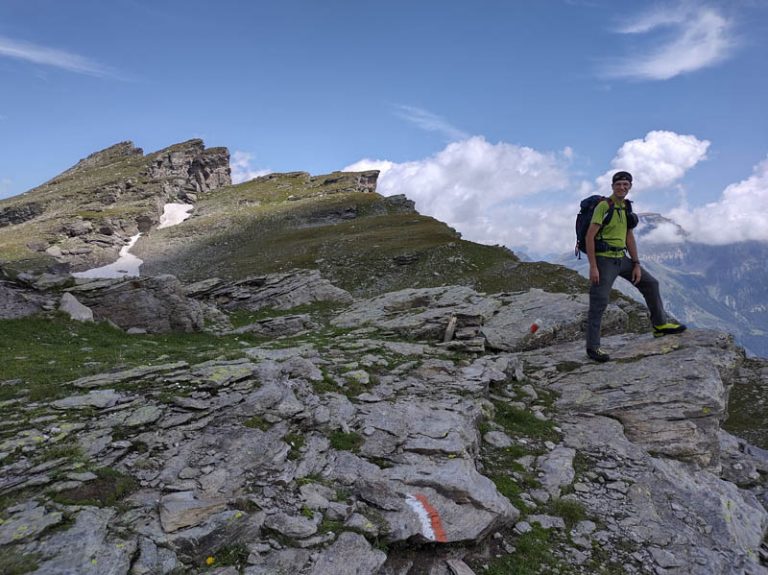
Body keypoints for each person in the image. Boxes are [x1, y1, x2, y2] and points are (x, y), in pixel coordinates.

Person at [585, 171, 686, 362]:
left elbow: (629, 236)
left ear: (630, 186)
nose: (622, 187)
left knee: (651, 284)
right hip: (604, 261)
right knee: (599, 302)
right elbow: (590, 236)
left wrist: (636, 263)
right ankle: (593, 348)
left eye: (626, 184)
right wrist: (593, 266)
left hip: (621, 258)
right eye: (619, 184)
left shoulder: (626, 206)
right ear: (612, 186)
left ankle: (659, 326)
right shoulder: (603, 206)